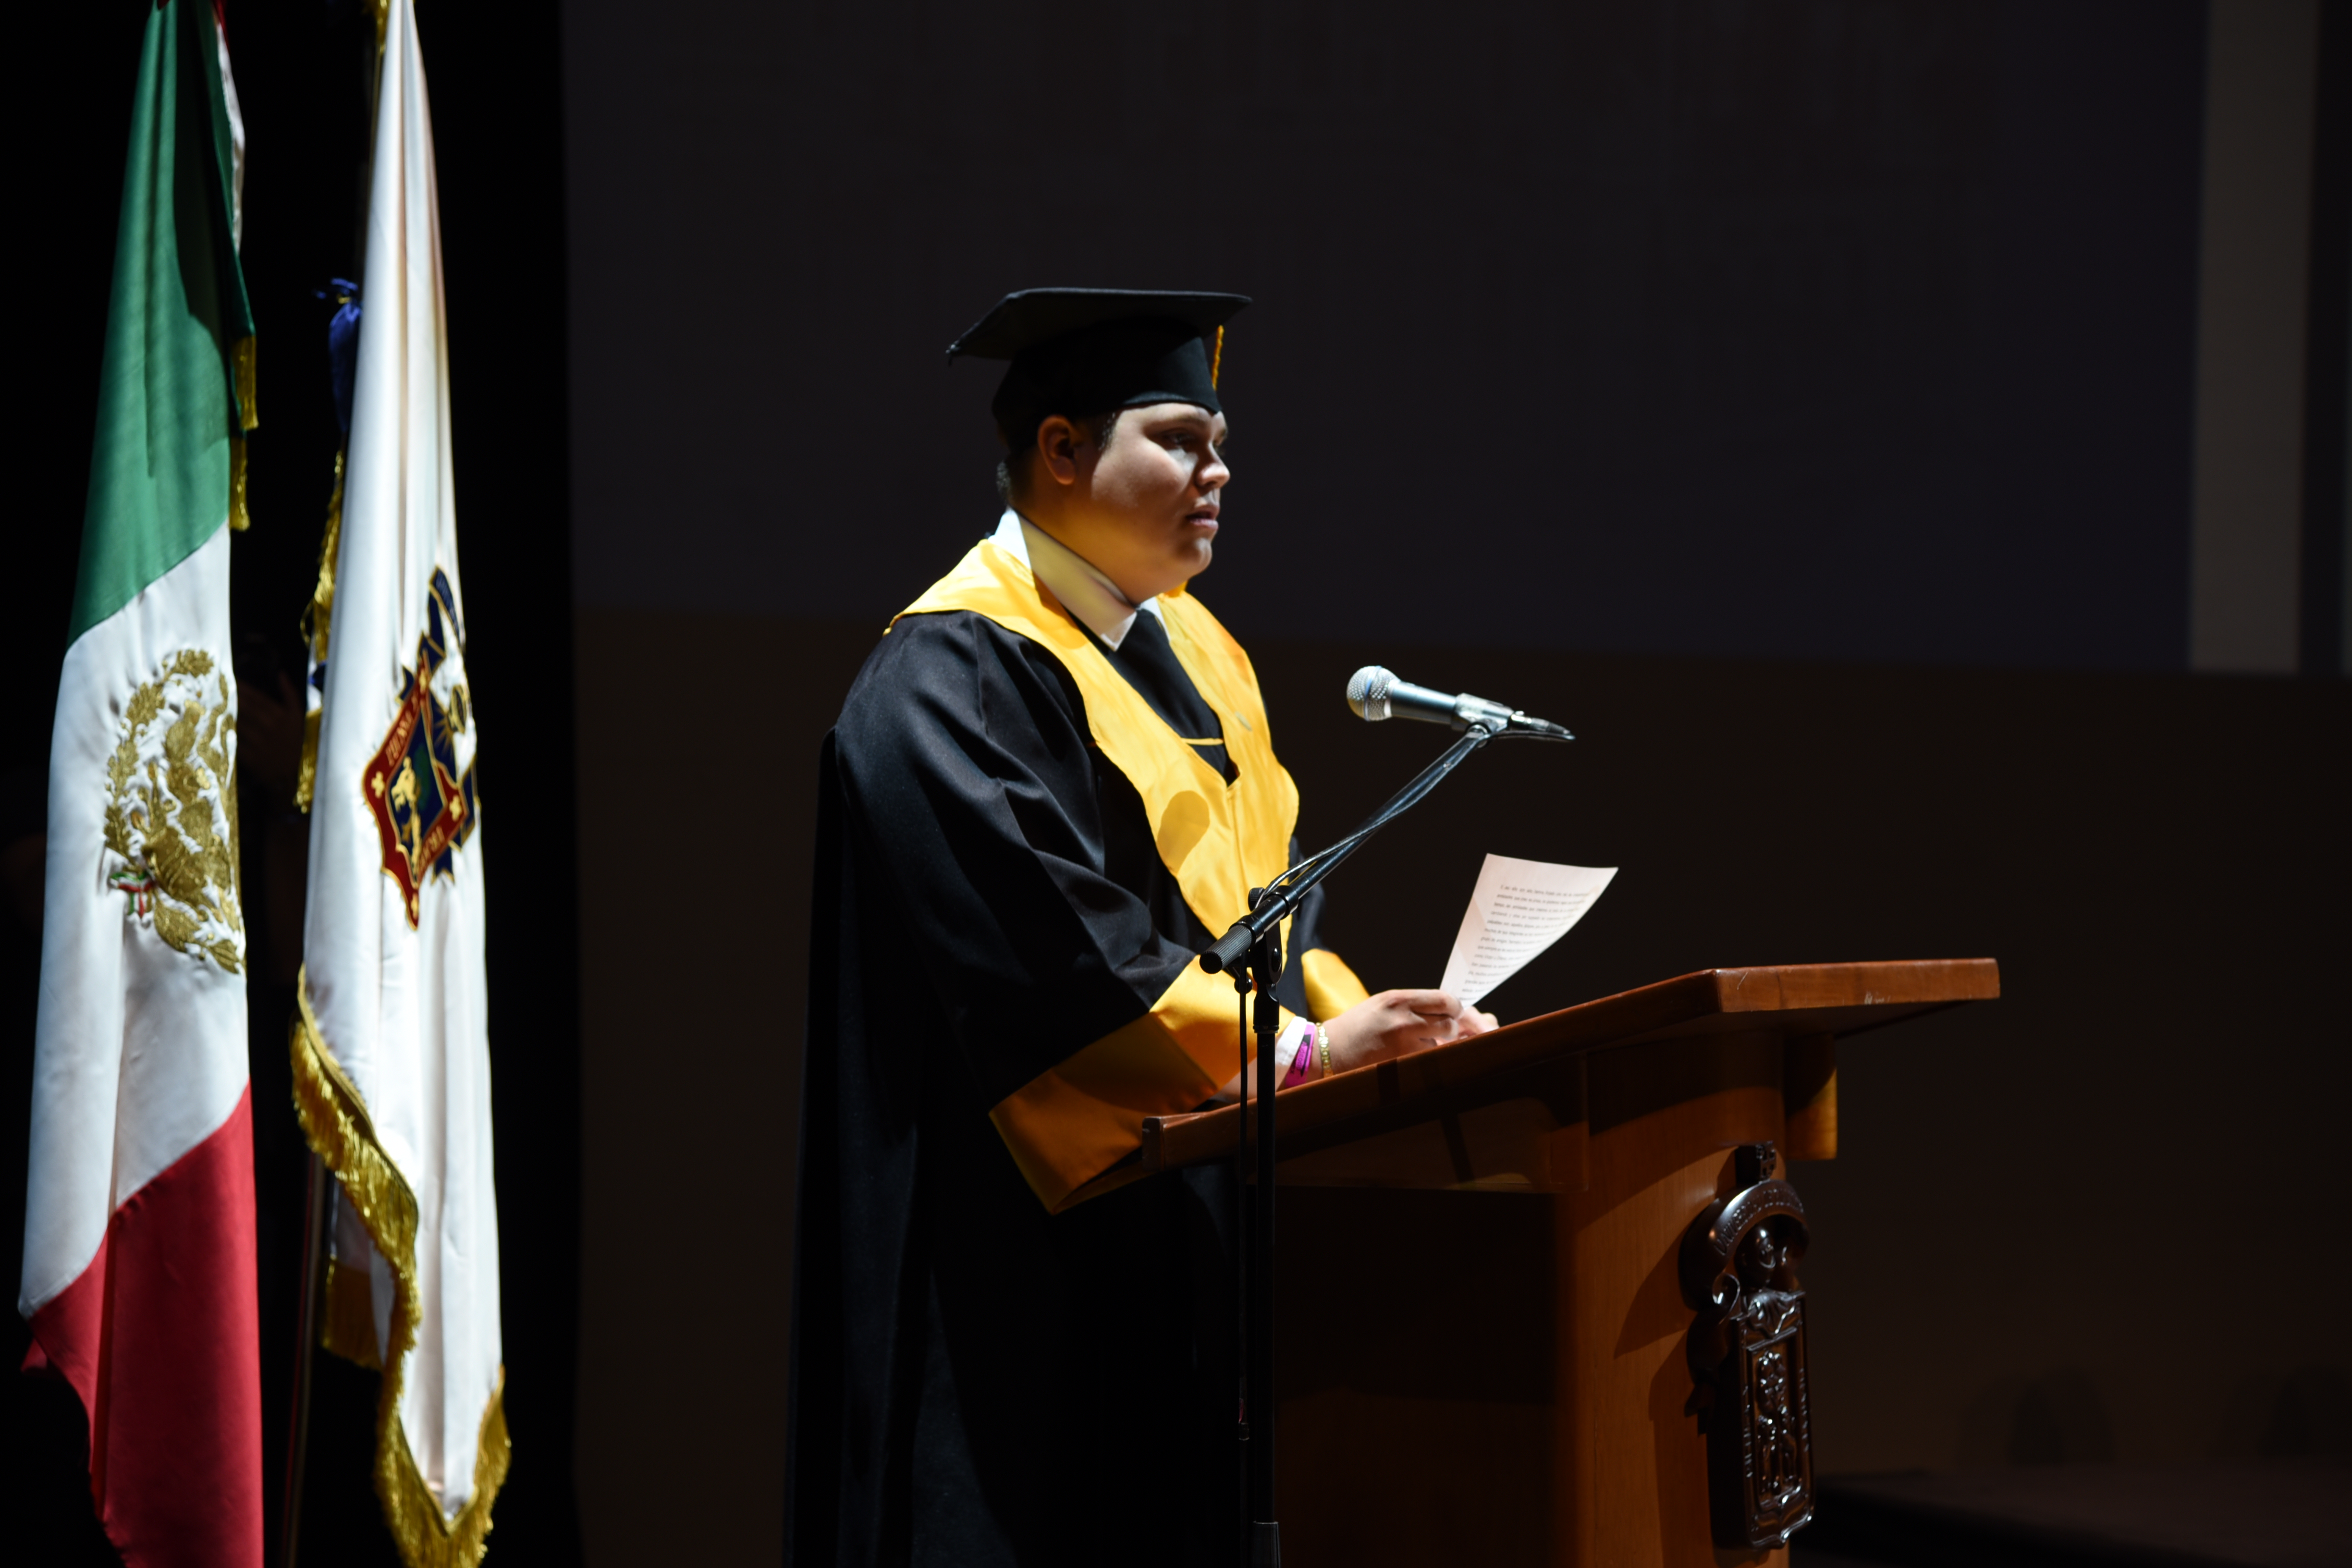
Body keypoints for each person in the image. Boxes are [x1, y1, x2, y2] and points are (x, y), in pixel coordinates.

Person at [786, 288, 1497, 1567]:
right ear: (1062, 449)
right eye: (1179, 439)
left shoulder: (1197, 655)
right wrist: (1300, 1059)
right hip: (1010, 1264)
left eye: (1220, 443)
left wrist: (1369, 1024)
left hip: (1187, 1235)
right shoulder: (945, 678)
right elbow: (1056, 958)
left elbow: (1267, 908)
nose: (1218, 473)